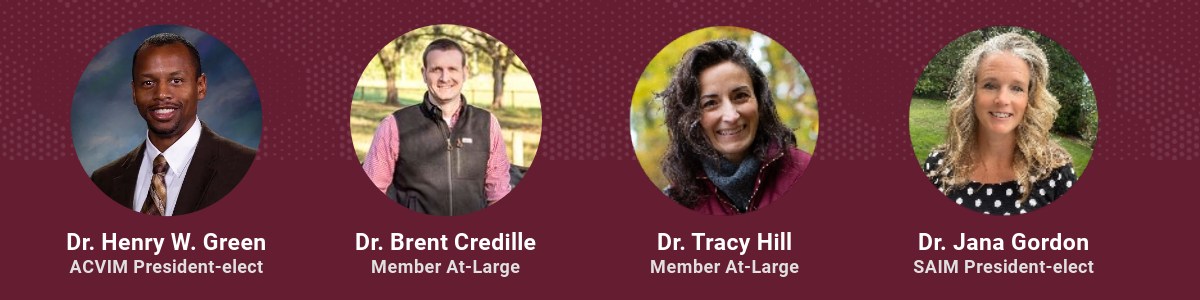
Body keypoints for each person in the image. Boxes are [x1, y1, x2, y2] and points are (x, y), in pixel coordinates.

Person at [90, 33, 257, 216]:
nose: (161, 94)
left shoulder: (248, 169)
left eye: (176, 81)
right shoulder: (103, 182)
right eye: (148, 83)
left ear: (200, 86)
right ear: (134, 93)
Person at [924, 33, 1077, 215]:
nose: (1002, 99)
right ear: (972, 93)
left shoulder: (1055, 173)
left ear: (1030, 97)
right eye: (990, 85)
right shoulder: (938, 165)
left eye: (1017, 88)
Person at [659, 40, 812, 215]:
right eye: (710, 103)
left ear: (760, 101)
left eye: (740, 96)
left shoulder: (804, 172)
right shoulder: (678, 200)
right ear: (689, 116)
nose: (731, 116)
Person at [362, 38, 511, 216]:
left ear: (465, 73)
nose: (444, 78)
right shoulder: (393, 125)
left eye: (452, 69)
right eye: (436, 70)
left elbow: (499, 194)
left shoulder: (488, 124)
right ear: (424, 74)